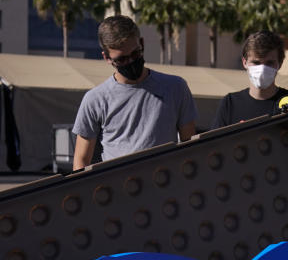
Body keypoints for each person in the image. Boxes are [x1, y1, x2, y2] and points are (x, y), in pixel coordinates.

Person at [72, 15, 197, 169]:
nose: (130, 62)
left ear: (142, 44)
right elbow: (81, 161)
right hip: (118, 189)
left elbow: (190, 148)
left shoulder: (175, 87)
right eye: (122, 59)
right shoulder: (95, 99)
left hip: (166, 186)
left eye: (134, 54)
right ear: (107, 58)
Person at [211, 31, 288, 128]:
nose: (262, 69)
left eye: (269, 63)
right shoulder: (230, 104)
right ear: (244, 62)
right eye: (256, 62)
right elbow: (215, 142)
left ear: (280, 64)